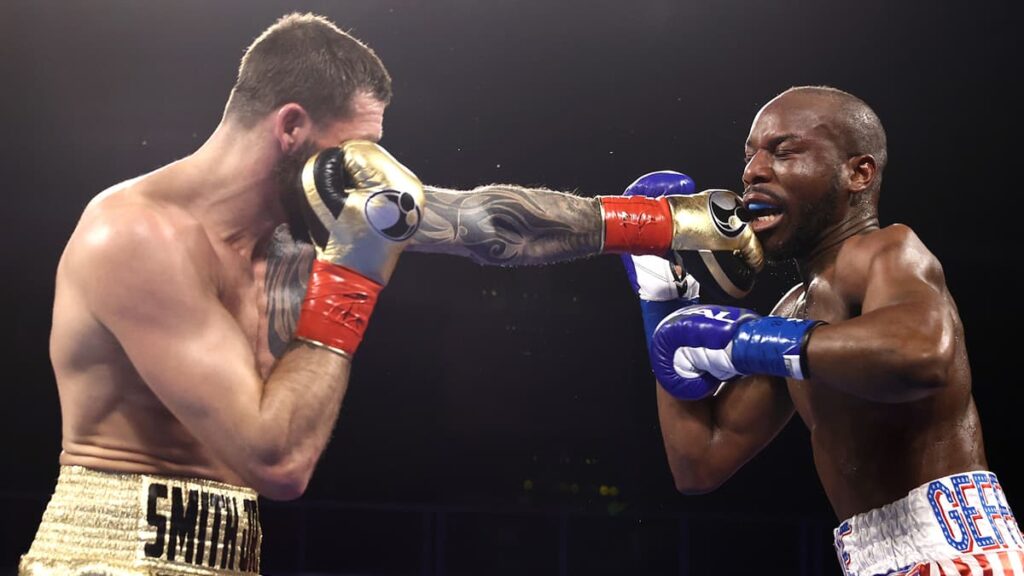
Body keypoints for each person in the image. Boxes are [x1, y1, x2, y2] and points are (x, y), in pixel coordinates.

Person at [21, 12, 763, 576]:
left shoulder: (311, 209)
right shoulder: (136, 237)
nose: (369, 167)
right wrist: (354, 273)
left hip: (229, 552)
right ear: (290, 128)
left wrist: (663, 222)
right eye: (358, 146)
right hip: (105, 552)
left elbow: (480, 220)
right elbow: (275, 460)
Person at [638, 86, 1023, 575]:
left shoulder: (890, 251)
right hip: (871, 559)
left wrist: (751, 344)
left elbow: (921, 355)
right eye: (750, 155)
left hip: (960, 553)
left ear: (858, 174)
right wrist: (662, 304)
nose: (753, 171)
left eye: (783, 151)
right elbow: (699, 462)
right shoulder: (794, 311)